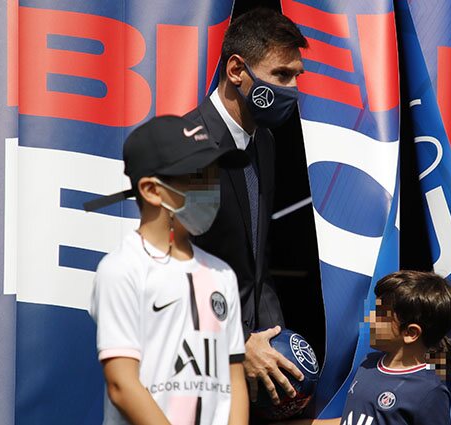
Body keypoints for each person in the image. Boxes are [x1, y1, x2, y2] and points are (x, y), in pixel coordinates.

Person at [86, 115, 250, 425]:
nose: (212, 189)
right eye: (198, 176)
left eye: (214, 176)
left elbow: (235, 381)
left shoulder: (222, 274)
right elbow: (122, 385)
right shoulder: (121, 269)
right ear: (151, 190)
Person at [182, 7, 309, 406]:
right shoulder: (191, 148)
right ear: (237, 70)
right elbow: (173, 270)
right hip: (191, 371)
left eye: (297, 77)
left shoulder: (265, 143)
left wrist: (274, 344)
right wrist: (237, 342)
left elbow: (257, 263)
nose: (292, 90)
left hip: (247, 374)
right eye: (282, 75)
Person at [279, 270, 451, 425]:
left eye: (381, 315)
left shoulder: (429, 392)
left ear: (411, 333)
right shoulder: (369, 364)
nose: (370, 318)